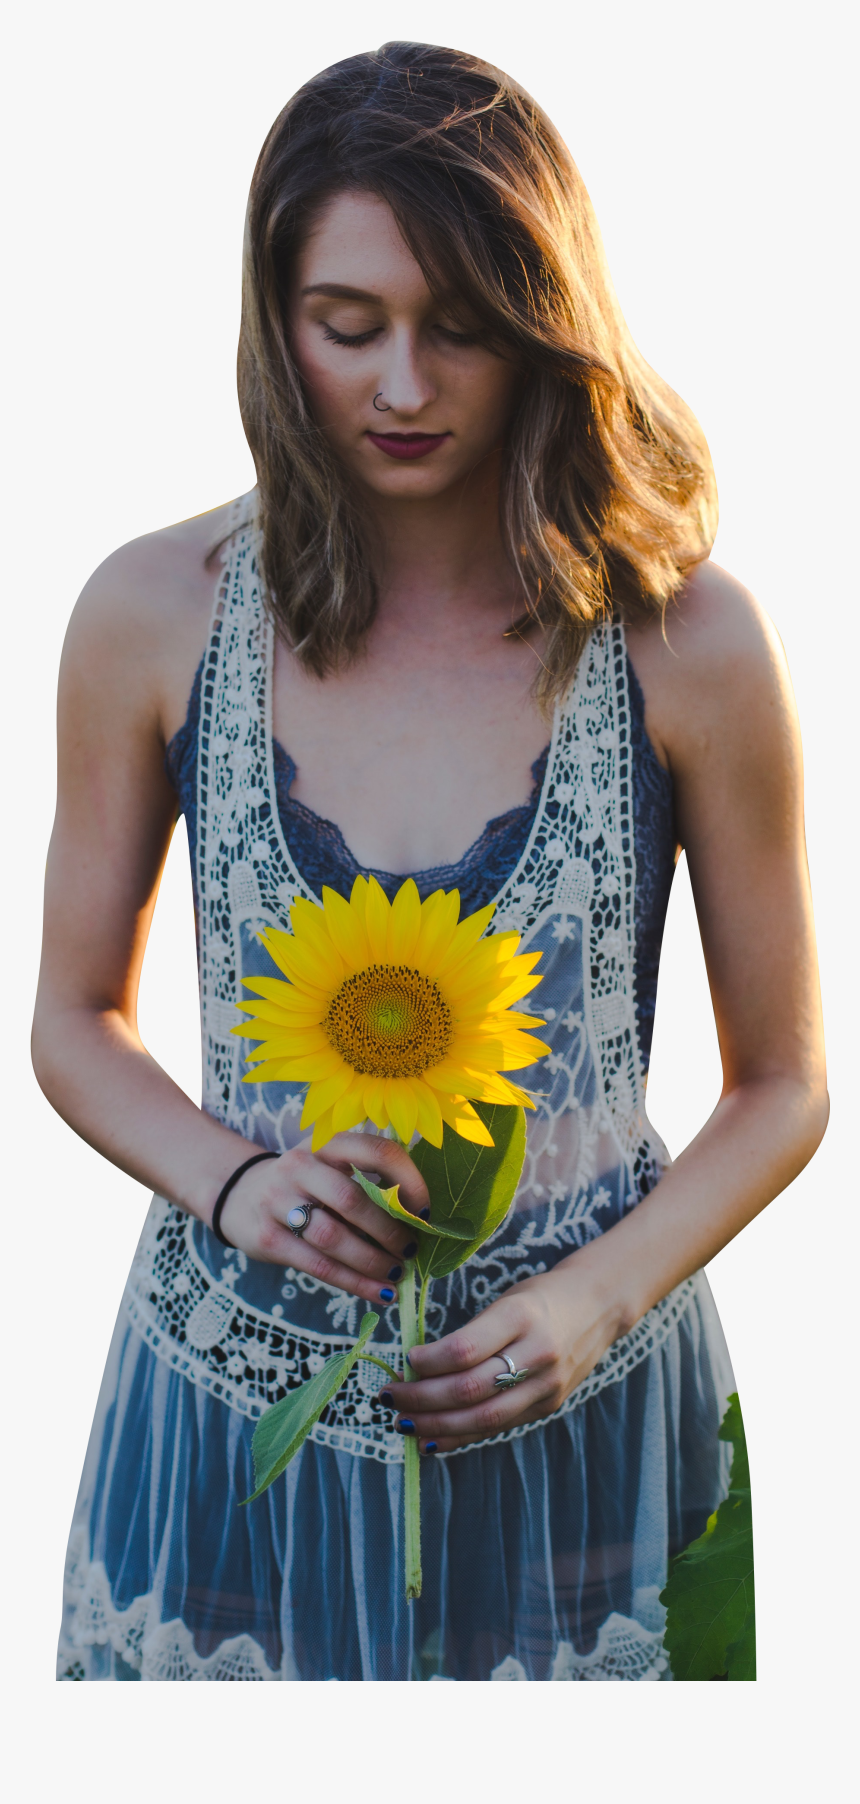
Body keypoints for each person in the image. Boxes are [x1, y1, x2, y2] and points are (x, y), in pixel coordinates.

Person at [36, 42, 827, 1682]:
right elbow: (69, 1024)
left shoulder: (688, 642)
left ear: (549, 323)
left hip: (590, 1443)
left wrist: (599, 1300)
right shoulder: (149, 615)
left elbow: (787, 1086)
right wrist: (234, 1181)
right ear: (273, 323)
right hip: (224, 1436)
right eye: (349, 326)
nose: (405, 385)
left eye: (461, 327)